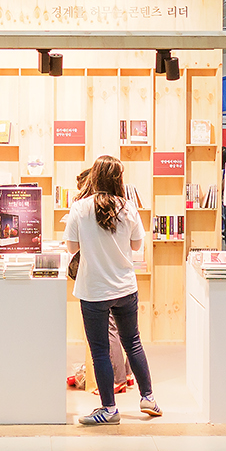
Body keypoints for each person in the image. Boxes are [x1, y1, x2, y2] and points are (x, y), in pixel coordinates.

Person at [65, 154, 160, 425]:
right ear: (119, 179)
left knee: (99, 350)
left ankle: (109, 409)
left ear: (94, 177)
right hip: (125, 287)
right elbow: (136, 245)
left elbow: (72, 248)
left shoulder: (80, 208)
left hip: (94, 290)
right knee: (133, 342)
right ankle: (148, 398)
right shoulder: (128, 207)